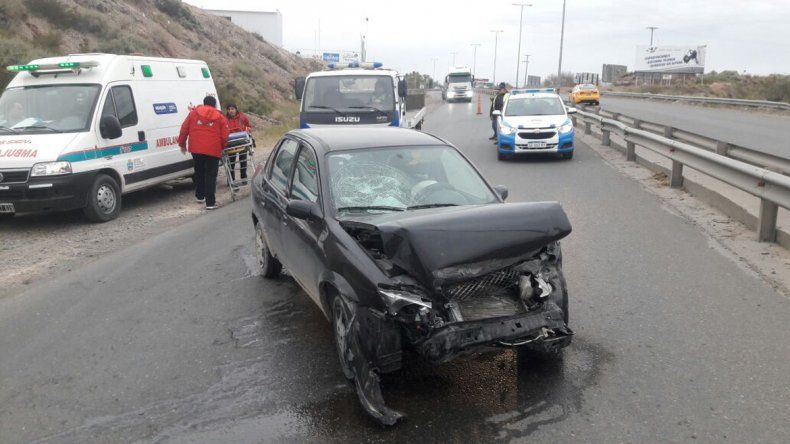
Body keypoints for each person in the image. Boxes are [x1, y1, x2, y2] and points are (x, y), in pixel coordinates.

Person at [178, 96, 229, 210]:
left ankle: (200, 196)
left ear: (204, 103)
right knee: (211, 175)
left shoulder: (193, 114)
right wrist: (222, 146)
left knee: (199, 171)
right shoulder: (220, 117)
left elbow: (184, 129)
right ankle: (210, 203)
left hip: (196, 148)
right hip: (213, 149)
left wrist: (182, 144)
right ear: (214, 105)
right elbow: (225, 135)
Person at [225, 103, 251, 182]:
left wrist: (247, 130)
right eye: (229, 109)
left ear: (236, 109)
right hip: (231, 143)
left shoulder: (242, 117)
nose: (231, 111)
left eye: (232, 109)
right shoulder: (224, 119)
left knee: (243, 161)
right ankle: (231, 180)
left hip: (242, 141)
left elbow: (248, 126)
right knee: (231, 162)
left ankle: (244, 178)